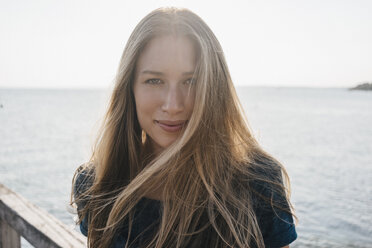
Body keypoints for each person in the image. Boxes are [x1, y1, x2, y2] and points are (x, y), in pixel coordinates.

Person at [71, 7, 297, 248]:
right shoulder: (96, 183)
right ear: (130, 88)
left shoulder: (258, 182)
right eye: (154, 81)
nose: (173, 105)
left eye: (192, 81)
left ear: (215, 87)